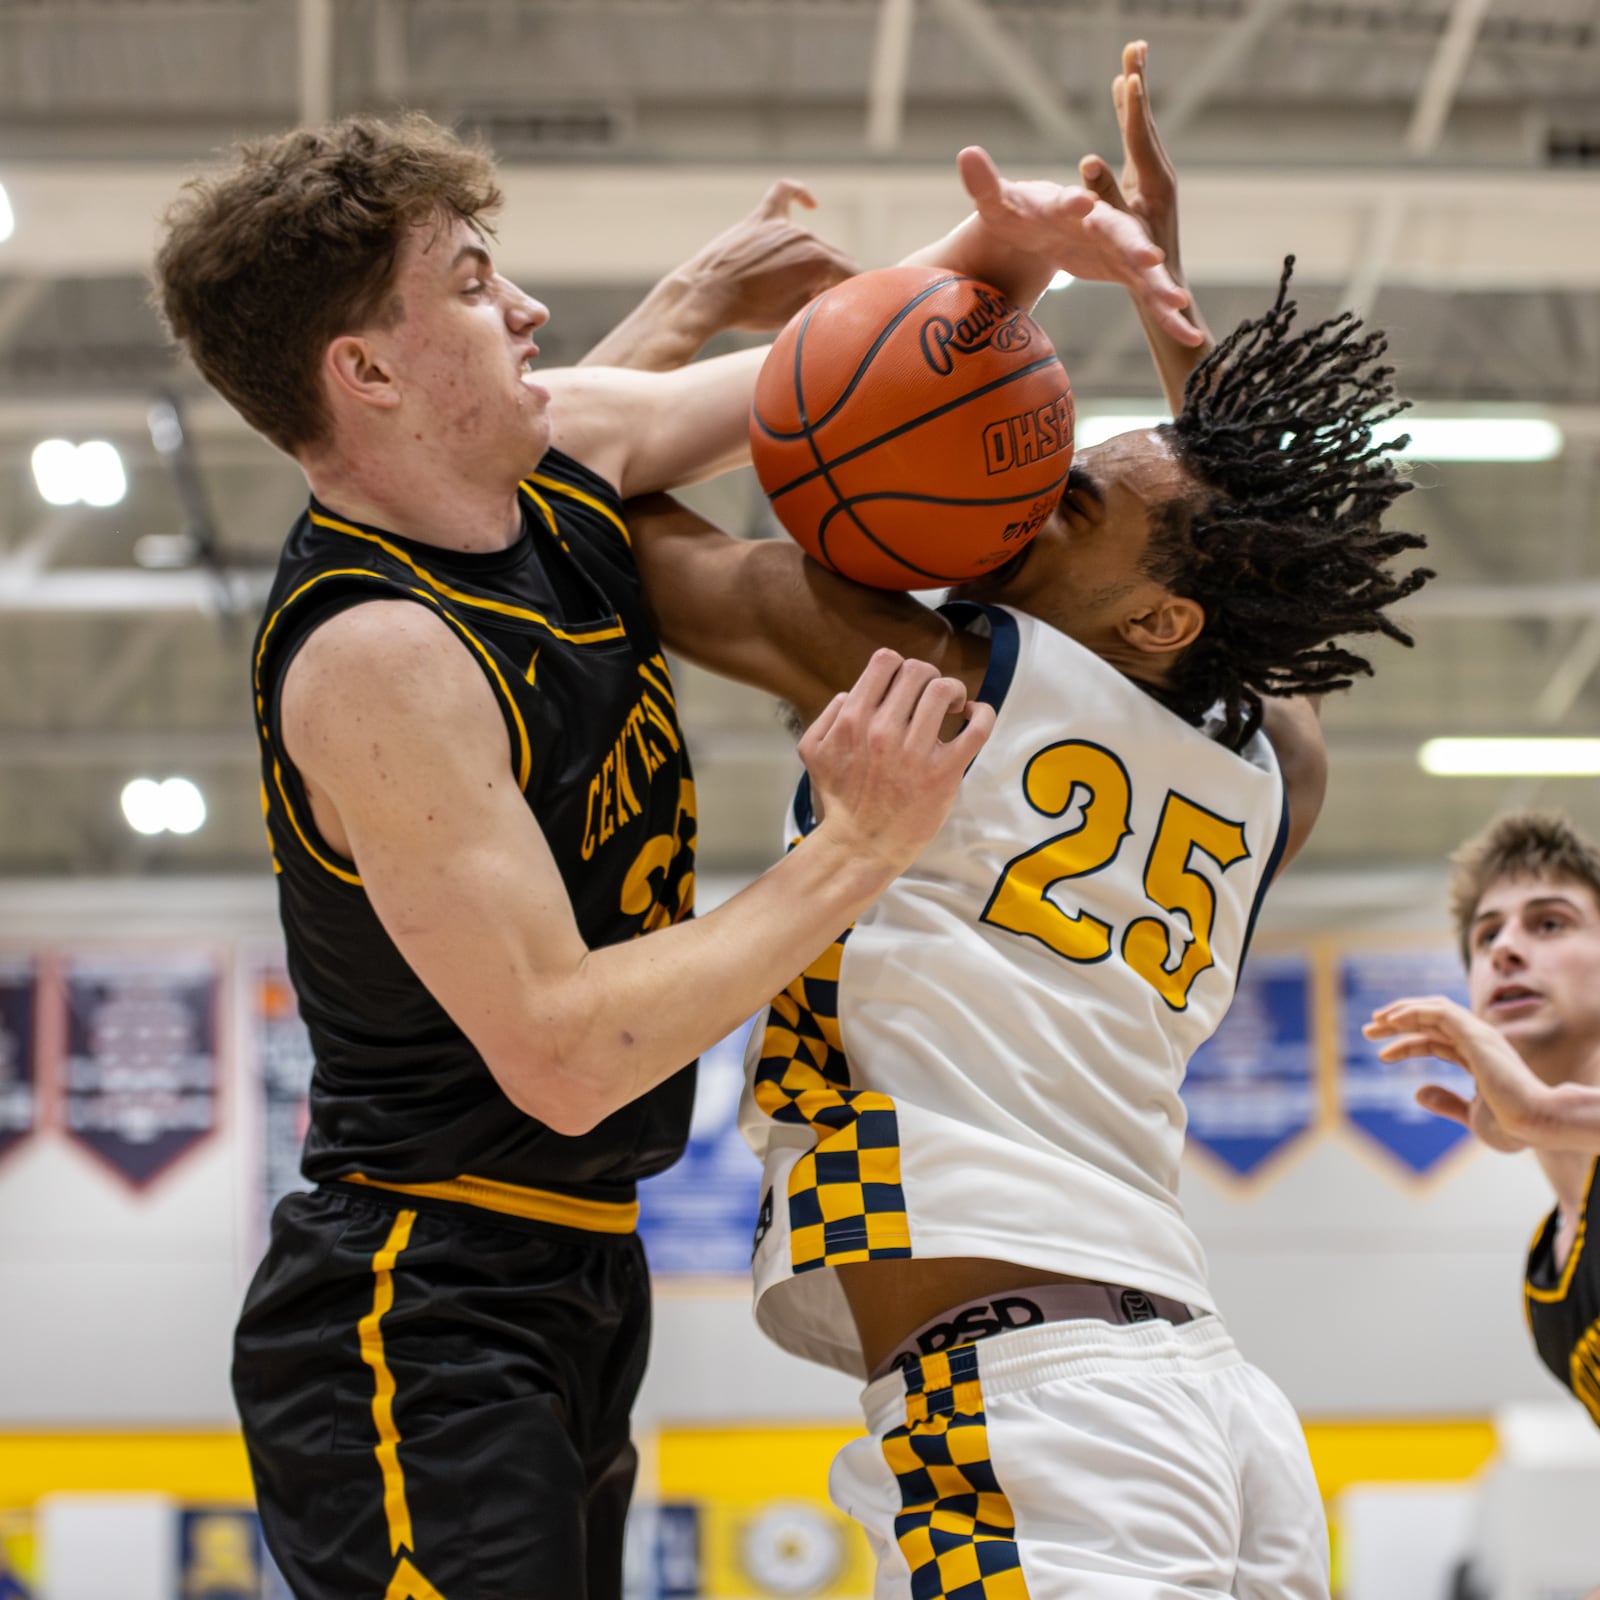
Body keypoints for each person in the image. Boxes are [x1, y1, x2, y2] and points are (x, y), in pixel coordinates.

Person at [151, 111, 1194, 1598]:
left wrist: (1012, 252)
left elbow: (843, 382)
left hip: (577, 1272)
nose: (524, 308)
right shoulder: (377, 656)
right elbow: (566, 1053)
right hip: (417, 1298)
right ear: (366, 372)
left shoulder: (554, 457)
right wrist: (858, 846)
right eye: (468, 284)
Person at [623, 40, 1431, 1598]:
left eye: (1067, 501)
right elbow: (1248, 571)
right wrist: (1164, 303)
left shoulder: (947, 673)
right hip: (1205, 1394)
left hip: (1032, 1407)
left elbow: (603, 512)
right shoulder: (1273, 778)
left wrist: (736, 341)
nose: (1028, 491)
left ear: (1153, 628)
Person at [1366, 811, 1600, 1427]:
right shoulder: (1546, 1277)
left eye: (1550, 923)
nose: (1506, 950)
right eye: (1485, 936)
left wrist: (1546, 1115)